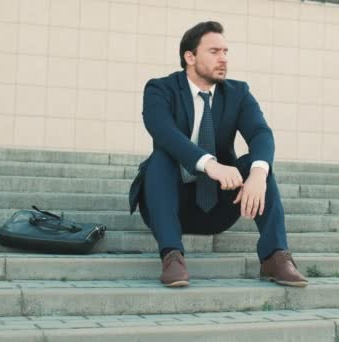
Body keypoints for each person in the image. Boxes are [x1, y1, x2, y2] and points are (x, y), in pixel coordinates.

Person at [129, 21, 307, 288]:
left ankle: (275, 257)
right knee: (161, 158)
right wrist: (210, 164)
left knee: (257, 163)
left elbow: (260, 133)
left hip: (219, 203)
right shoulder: (160, 89)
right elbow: (163, 132)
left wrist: (259, 173)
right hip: (168, 202)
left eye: (225, 51)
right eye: (214, 51)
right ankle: (172, 256)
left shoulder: (238, 92)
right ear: (190, 57)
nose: (223, 58)